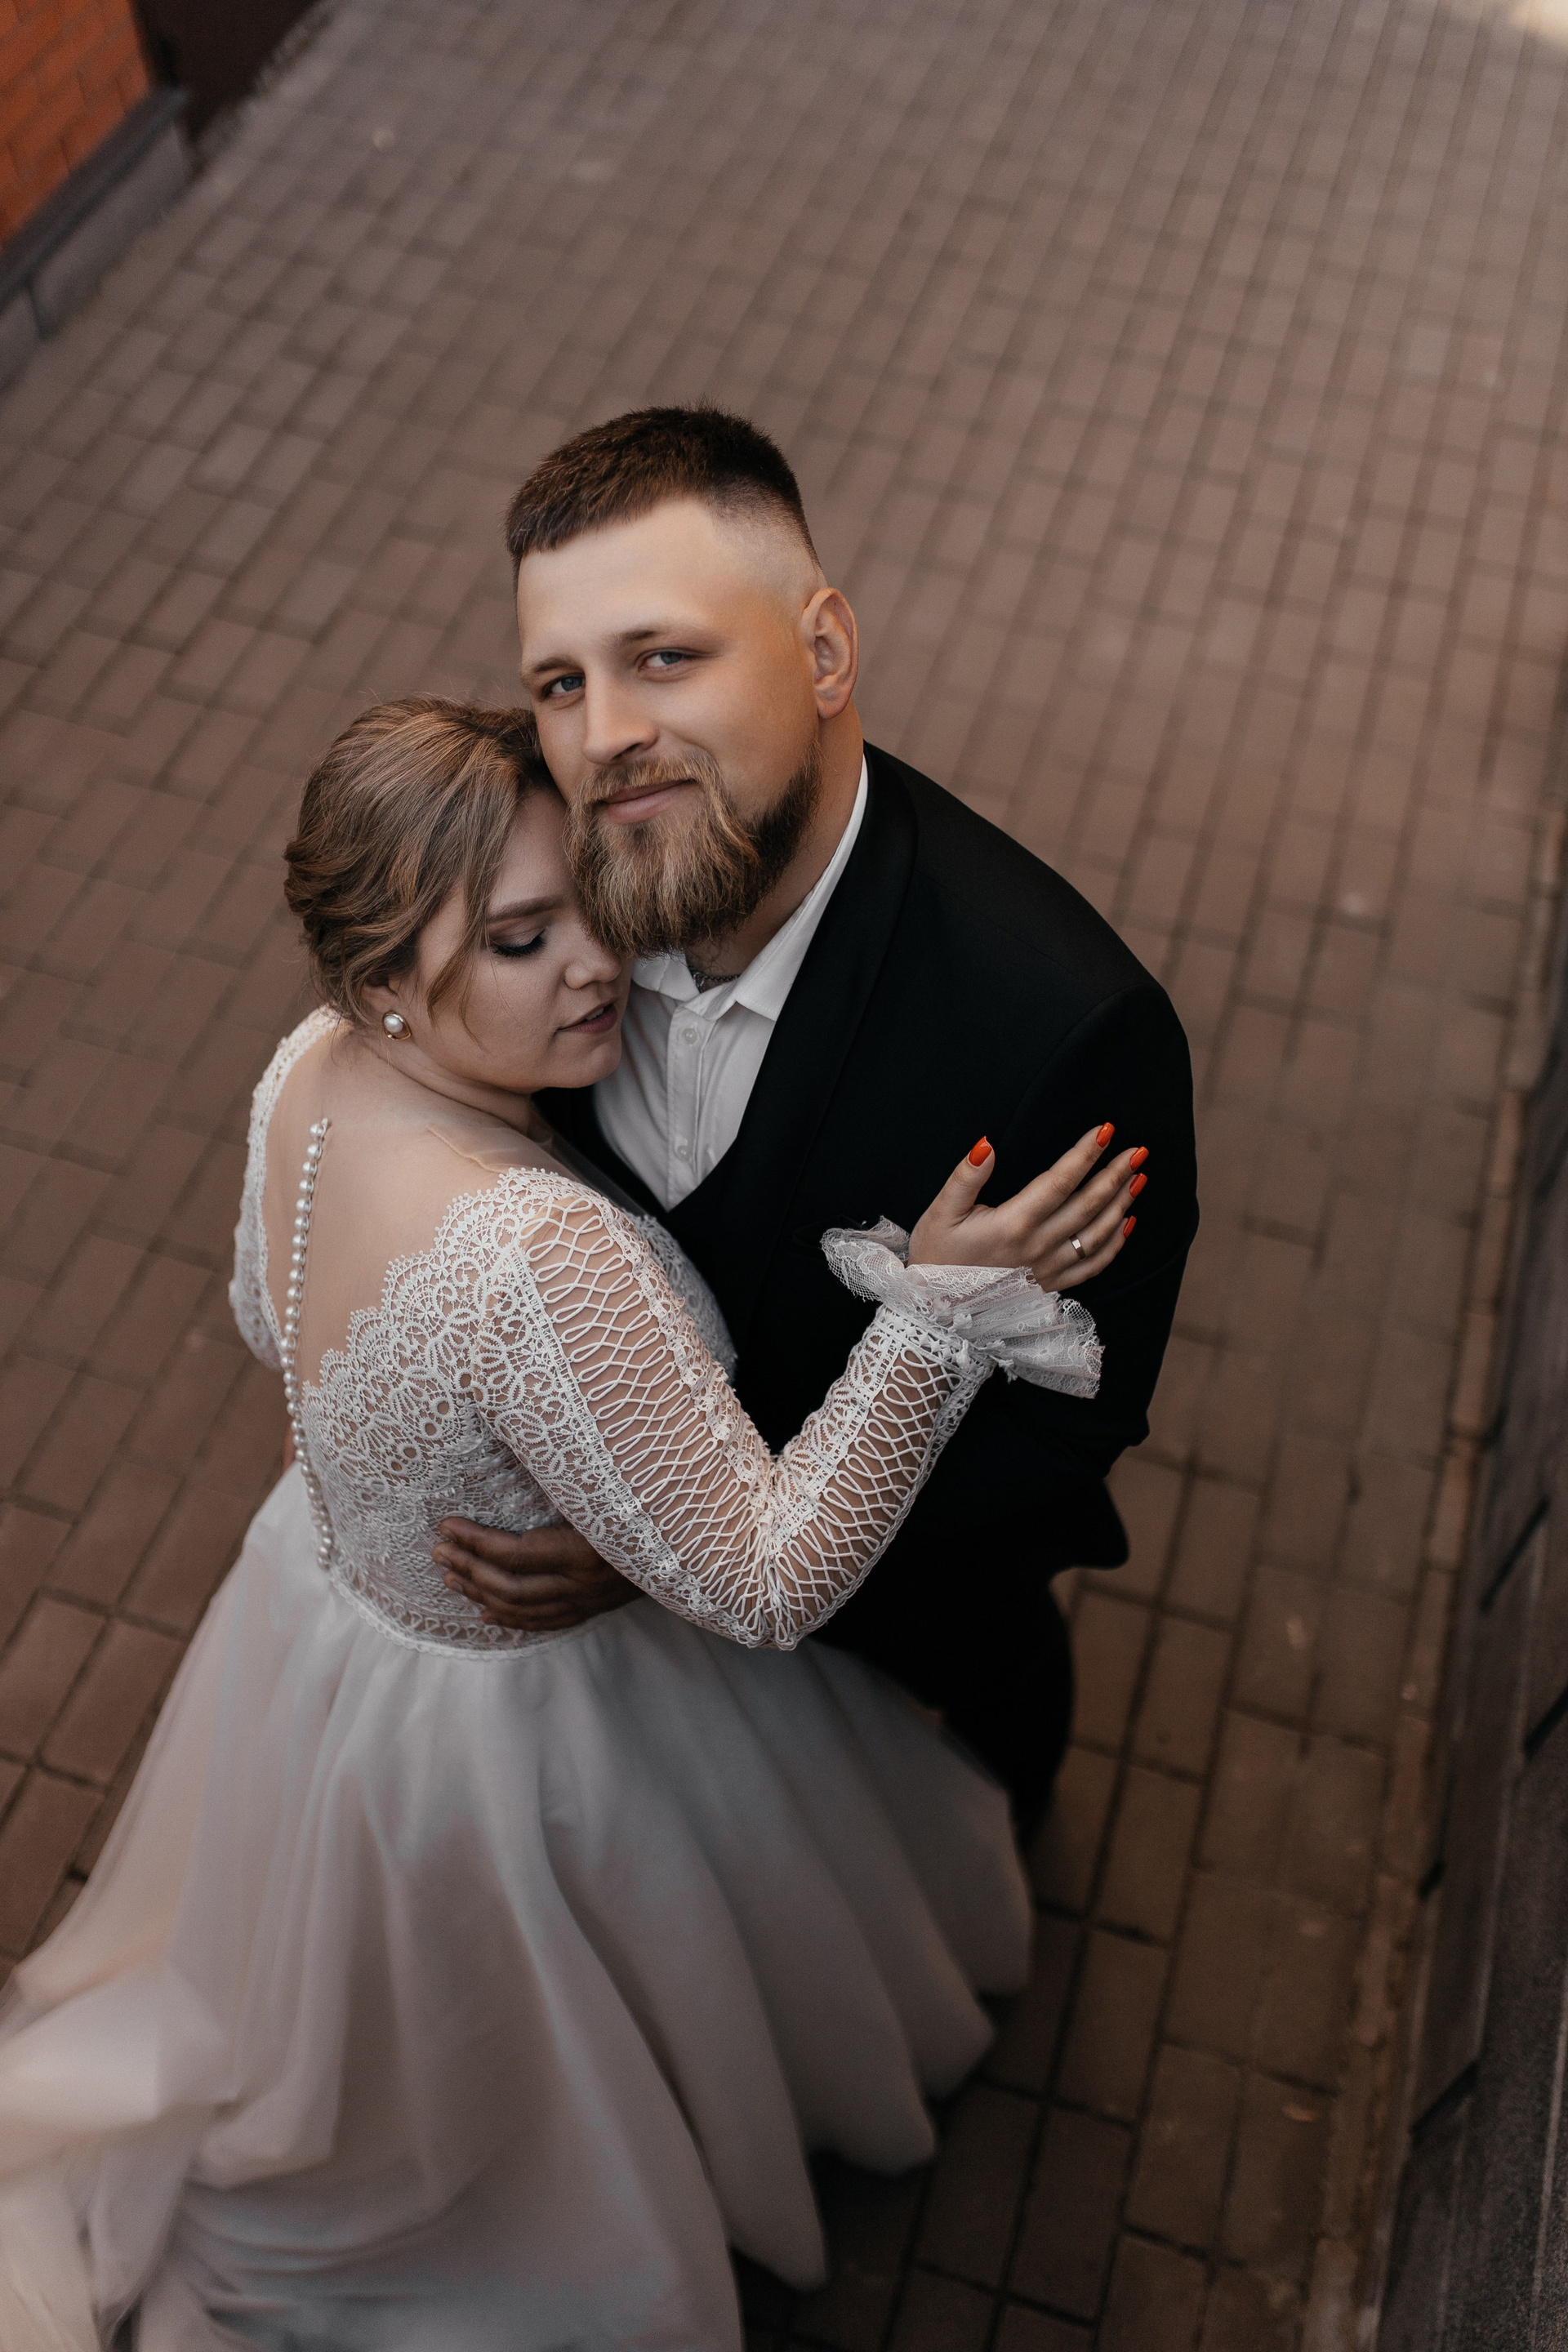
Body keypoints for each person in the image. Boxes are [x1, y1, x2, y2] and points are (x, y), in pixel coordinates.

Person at [0, 700, 1142, 2351]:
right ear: (387, 977)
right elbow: (768, 1579)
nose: (599, 966)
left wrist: (434, 1485)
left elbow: (269, 1314)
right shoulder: (531, 1253)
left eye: (587, 908)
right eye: (520, 940)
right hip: (512, 1732)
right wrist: (936, 1318)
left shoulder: (306, 1071)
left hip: (325, 1623)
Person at [435, 406, 1200, 1826]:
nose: (604, 737)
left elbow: (1056, 1444)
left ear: (827, 651)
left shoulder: (1061, 1033)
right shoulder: (542, 902)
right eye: (560, 682)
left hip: (903, 1669)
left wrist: (684, 1553)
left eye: (665, 657)